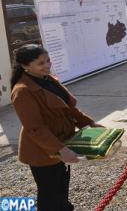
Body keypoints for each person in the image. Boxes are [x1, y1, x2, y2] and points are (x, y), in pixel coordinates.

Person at [11, 44, 104, 210]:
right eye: (41, 63)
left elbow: (69, 109)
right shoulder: (22, 91)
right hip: (42, 150)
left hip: (63, 141)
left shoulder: (49, 80)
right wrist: (61, 149)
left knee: (61, 187)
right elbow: (35, 128)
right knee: (50, 193)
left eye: (48, 60)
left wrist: (89, 123)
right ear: (25, 67)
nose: (47, 65)